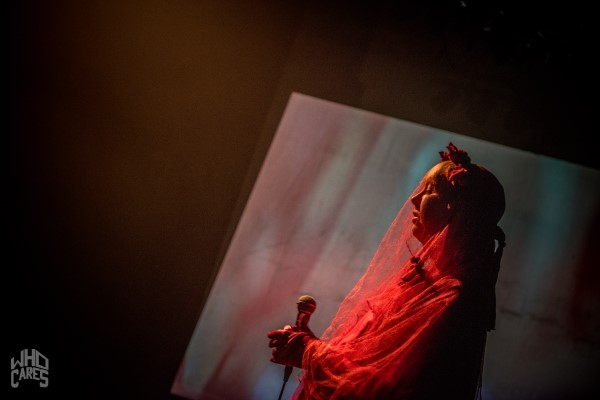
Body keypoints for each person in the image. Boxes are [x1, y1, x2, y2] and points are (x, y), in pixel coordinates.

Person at [268, 143, 506, 400]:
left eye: (430, 190)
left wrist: (308, 351)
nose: (415, 199)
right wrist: (313, 352)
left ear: (457, 208)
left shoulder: (450, 296)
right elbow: (365, 366)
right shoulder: (427, 284)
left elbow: (382, 383)